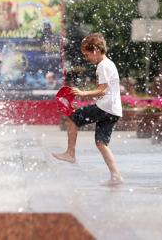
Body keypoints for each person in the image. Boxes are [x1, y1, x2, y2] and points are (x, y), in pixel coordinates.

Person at [52, 33, 124, 185]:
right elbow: (106, 91)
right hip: (113, 111)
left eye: (87, 54)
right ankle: (116, 176)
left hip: (105, 108)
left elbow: (103, 90)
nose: (86, 58)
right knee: (101, 143)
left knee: (72, 117)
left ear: (96, 50)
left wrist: (83, 93)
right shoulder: (109, 64)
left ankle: (70, 153)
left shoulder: (103, 66)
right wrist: (90, 98)